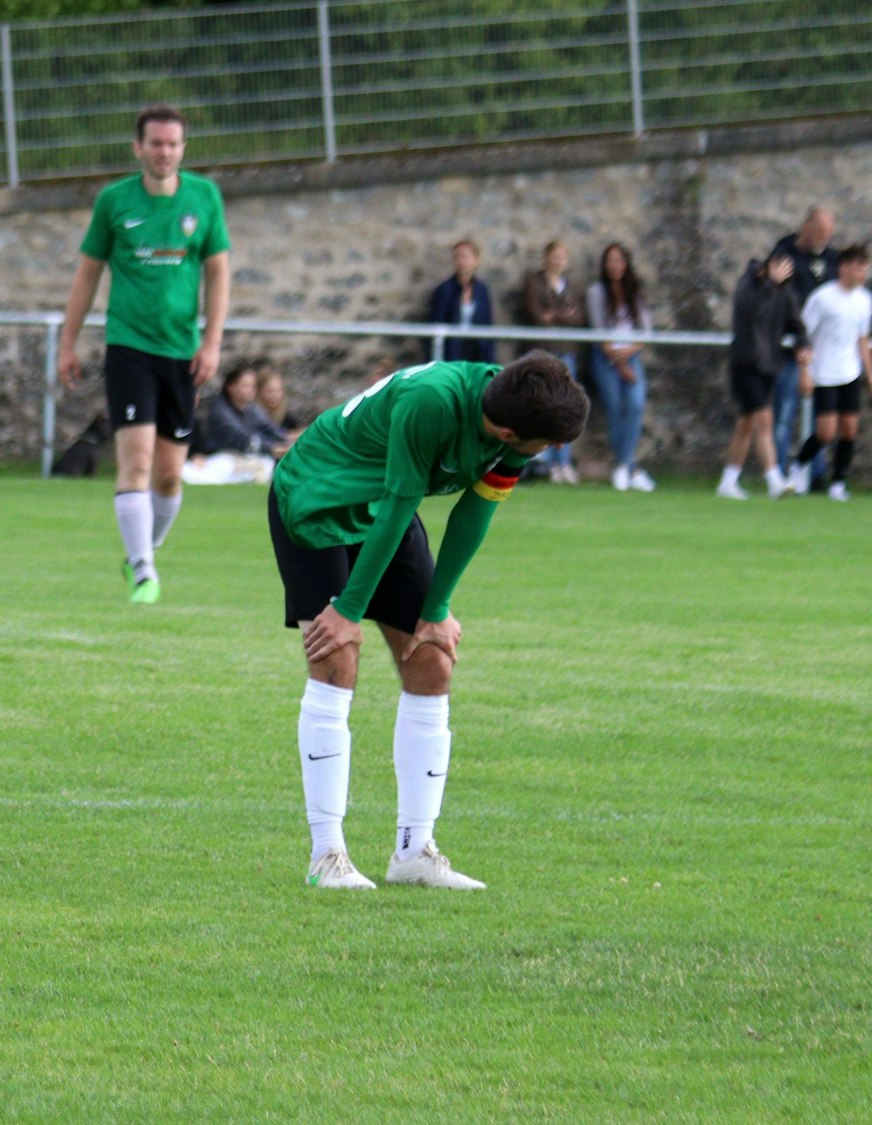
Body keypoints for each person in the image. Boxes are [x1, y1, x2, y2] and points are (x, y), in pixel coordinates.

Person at [269, 353, 587, 890]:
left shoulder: (518, 418)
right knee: (336, 657)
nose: (553, 452)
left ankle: (413, 852)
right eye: (550, 444)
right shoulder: (433, 404)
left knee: (432, 659)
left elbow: (475, 511)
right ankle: (327, 856)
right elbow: (399, 501)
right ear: (509, 432)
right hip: (319, 494)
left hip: (384, 506)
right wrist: (347, 610)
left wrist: (436, 610)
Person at [58, 103, 231, 605]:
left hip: (182, 351)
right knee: (134, 462)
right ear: (139, 148)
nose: (164, 152)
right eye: (155, 143)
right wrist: (68, 343)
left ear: (183, 149)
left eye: (173, 144)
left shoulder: (204, 197)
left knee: (170, 474)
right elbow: (87, 274)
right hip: (128, 347)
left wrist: (212, 340)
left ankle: (145, 550)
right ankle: (143, 573)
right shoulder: (115, 201)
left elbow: (219, 273)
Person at [720, 252, 808, 499]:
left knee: (746, 424)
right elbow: (750, 309)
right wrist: (771, 284)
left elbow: (796, 323)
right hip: (746, 363)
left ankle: (728, 481)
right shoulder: (749, 285)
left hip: (768, 365)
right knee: (764, 419)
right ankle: (774, 479)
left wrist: (803, 344)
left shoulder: (785, 293)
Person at [787, 244, 871, 501]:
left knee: (849, 428)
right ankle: (797, 465)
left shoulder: (865, 300)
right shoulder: (822, 298)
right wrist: (804, 369)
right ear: (844, 267)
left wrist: (869, 373)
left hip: (850, 372)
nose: (863, 274)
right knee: (825, 432)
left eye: (866, 269)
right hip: (824, 372)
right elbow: (804, 336)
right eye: (859, 268)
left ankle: (838, 484)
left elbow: (862, 339)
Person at [770, 207, 839, 471]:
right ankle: (778, 473)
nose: (824, 240)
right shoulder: (784, 254)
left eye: (828, 235)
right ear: (806, 226)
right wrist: (800, 339)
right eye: (820, 233)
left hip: (824, 352)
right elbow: (782, 300)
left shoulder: (833, 259)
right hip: (790, 350)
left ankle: (815, 473)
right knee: (785, 414)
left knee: (821, 418)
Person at [586, 242, 654, 492]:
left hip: (630, 355)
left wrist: (628, 355)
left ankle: (626, 465)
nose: (615, 266)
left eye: (619, 260)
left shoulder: (635, 292)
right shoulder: (596, 292)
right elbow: (598, 330)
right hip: (606, 357)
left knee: (635, 405)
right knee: (615, 408)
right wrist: (617, 361)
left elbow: (646, 332)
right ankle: (630, 467)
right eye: (610, 261)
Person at [518, 240, 587, 483]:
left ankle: (563, 462)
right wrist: (561, 314)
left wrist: (554, 315)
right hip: (543, 352)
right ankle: (542, 460)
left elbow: (578, 316)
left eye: (562, 256)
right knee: (542, 403)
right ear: (546, 257)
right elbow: (537, 315)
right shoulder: (534, 283)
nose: (557, 260)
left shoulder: (571, 286)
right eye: (553, 255)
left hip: (566, 352)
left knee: (567, 405)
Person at [183, 363, 290, 485]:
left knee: (267, 464)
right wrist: (271, 448)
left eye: (252, 387)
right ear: (231, 387)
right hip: (222, 456)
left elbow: (268, 428)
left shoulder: (251, 409)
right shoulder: (220, 409)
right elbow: (239, 437)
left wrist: (287, 443)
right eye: (246, 386)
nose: (250, 391)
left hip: (244, 456)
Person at [425, 239, 496, 364]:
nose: (461, 261)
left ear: (476, 260)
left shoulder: (481, 290)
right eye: (457, 257)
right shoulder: (445, 290)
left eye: (465, 257)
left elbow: (487, 324)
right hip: (452, 351)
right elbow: (437, 323)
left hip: (476, 351)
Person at [255, 368, 301, 436]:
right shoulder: (253, 417)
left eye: (278, 391)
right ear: (259, 392)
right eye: (269, 391)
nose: (274, 396)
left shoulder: (288, 420)